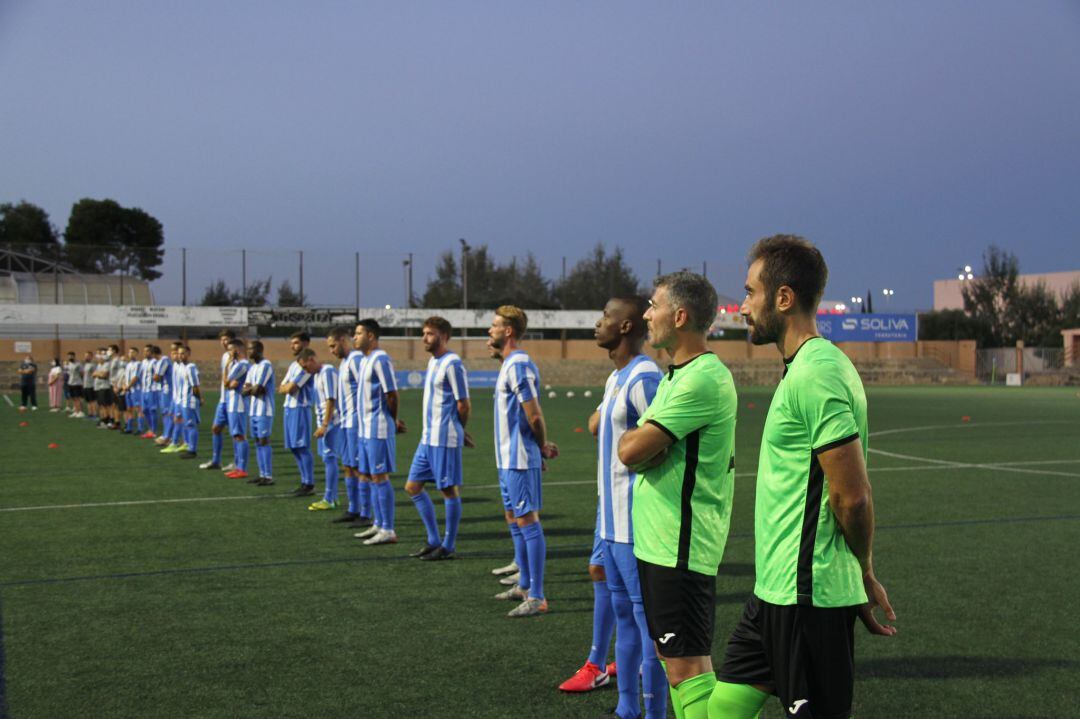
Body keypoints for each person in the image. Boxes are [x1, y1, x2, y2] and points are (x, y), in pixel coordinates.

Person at [711, 235, 896, 719]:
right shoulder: (803, 370)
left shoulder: (817, 374)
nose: (744, 306)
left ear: (784, 298)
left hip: (806, 597)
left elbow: (851, 496)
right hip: (773, 593)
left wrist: (862, 570)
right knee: (721, 710)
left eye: (750, 292)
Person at [616, 271, 737, 719]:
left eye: (654, 305)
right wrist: (648, 445)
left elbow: (630, 450)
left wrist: (645, 445)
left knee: (686, 671)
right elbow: (643, 448)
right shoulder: (675, 376)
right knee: (681, 668)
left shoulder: (701, 379)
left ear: (680, 315)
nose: (647, 314)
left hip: (680, 548)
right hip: (662, 544)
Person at [561, 297, 668, 719]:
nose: (598, 322)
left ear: (626, 327)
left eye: (606, 316)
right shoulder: (618, 377)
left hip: (633, 524)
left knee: (646, 627)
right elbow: (598, 424)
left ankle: (653, 713)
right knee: (623, 616)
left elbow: (665, 442)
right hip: (609, 522)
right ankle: (626, 709)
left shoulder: (645, 376)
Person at [488, 305, 559, 618]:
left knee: (528, 521)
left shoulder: (519, 364)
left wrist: (541, 447)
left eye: (494, 326)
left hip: (519, 458)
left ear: (508, 331)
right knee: (514, 517)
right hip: (507, 459)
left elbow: (534, 414)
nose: (489, 331)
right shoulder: (507, 364)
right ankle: (525, 583)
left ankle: (538, 596)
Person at [403, 316, 471, 561]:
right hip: (427, 438)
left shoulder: (452, 363)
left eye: (429, 334)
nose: (424, 338)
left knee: (448, 491)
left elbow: (463, 404)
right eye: (424, 333)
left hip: (444, 438)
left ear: (443, 336)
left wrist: (458, 431)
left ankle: (448, 546)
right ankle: (433, 540)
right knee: (412, 487)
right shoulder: (433, 362)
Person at [352, 319, 404, 545]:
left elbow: (391, 393)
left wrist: (392, 420)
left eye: (358, 333)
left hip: (378, 427)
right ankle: (378, 523)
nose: (354, 337)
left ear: (371, 336)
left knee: (380, 477)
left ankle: (388, 529)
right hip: (365, 429)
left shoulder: (381, 359)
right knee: (371, 476)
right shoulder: (365, 360)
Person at [298, 347, 346, 512]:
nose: (306, 370)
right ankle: (334, 497)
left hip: (332, 423)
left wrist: (325, 425)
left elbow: (331, 399)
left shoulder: (327, 371)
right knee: (328, 459)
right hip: (325, 423)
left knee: (330, 459)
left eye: (305, 367)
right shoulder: (318, 375)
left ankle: (329, 498)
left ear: (312, 359)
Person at [329, 326, 368, 525]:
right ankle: (353, 508)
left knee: (359, 467)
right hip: (344, 423)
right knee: (348, 466)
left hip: (356, 423)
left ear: (344, 341)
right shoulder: (343, 363)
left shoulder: (356, 360)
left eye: (333, 346)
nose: (331, 351)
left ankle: (366, 513)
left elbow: (367, 388)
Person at [278, 331, 316, 496]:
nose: (292, 346)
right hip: (289, 408)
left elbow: (291, 388)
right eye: (292, 342)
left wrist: (287, 387)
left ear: (306, 344)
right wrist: (287, 387)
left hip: (301, 407)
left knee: (302, 447)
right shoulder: (294, 365)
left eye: (296, 343)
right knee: (294, 447)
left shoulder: (307, 366)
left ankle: (309, 483)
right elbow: (281, 387)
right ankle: (304, 481)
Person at [200, 329, 239, 470]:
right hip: (223, 400)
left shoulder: (238, 358)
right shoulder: (224, 356)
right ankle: (216, 461)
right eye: (221, 339)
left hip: (234, 401)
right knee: (216, 429)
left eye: (226, 339)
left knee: (236, 434)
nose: (223, 342)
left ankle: (237, 462)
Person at [243, 340, 276, 485]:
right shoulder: (252, 368)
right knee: (257, 441)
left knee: (264, 440)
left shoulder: (266, 365)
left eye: (252, 349)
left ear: (260, 350)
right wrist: (252, 389)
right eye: (248, 349)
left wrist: (252, 389)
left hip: (265, 409)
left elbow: (258, 389)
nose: (249, 351)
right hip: (253, 410)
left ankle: (268, 476)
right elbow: (246, 390)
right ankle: (262, 474)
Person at [222, 339, 251, 479]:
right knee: (235, 435)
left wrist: (227, 365)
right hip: (232, 403)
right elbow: (228, 383)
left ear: (237, 350)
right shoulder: (236, 365)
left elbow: (227, 383)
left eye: (230, 350)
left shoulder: (243, 365)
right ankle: (238, 466)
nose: (228, 353)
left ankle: (242, 468)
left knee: (240, 435)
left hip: (238, 404)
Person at [177, 345, 202, 459]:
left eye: (183, 353)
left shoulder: (191, 367)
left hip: (190, 400)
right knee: (187, 424)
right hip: (184, 401)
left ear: (188, 354)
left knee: (191, 425)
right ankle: (189, 447)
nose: (180, 356)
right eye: (179, 353)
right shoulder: (181, 367)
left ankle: (192, 450)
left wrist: (200, 398)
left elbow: (195, 386)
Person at [123, 347, 144, 435]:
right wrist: (124, 385)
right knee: (129, 409)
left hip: (136, 390)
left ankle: (140, 428)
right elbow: (125, 377)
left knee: (138, 409)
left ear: (137, 354)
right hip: (128, 390)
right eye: (129, 352)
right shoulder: (128, 365)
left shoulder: (138, 364)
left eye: (133, 352)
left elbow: (135, 377)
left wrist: (128, 386)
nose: (130, 354)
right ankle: (129, 427)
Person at [138, 345, 157, 438]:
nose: (145, 353)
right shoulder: (143, 362)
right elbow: (140, 375)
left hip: (152, 390)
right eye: (144, 351)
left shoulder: (154, 362)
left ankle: (153, 430)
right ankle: (150, 428)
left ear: (152, 352)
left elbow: (157, 375)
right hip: (144, 390)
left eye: (147, 351)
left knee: (152, 410)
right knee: (144, 410)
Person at [65, 351, 84, 417]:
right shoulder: (68, 364)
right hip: (70, 383)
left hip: (77, 383)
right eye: (69, 356)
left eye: (71, 356)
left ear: (74, 356)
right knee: (73, 398)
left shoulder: (78, 364)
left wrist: (82, 381)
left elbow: (82, 373)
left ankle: (81, 412)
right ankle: (76, 411)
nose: (70, 357)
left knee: (78, 398)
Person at [81, 350, 96, 420]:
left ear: (91, 357)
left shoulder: (93, 365)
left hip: (91, 385)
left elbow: (95, 374)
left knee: (92, 400)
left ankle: (94, 414)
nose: (86, 357)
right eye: (85, 356)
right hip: (85, 385)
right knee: (88, 401)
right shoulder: (85, 365)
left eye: (87, 356)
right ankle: (90, 414)